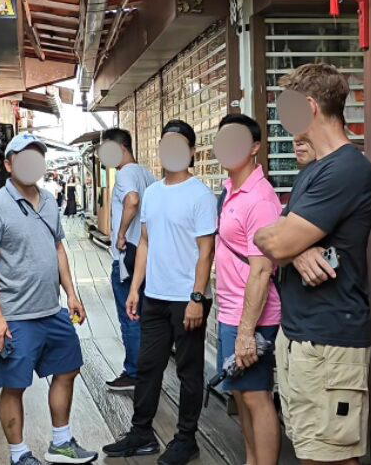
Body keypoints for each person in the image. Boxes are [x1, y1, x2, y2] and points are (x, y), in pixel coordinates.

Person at [253, 63, 371, 465]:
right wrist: (297, 248)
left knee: (332, 458)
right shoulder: (314, 170)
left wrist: (289, 244)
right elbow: (273, 240)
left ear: (309, 107)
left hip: (330, 340)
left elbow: (276, 239)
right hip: (301, 336)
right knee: (310, 452)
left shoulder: (347, 168)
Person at [0, 133, 96, 465]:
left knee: (69, 369)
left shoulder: (48, 200)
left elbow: (58, 248)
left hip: (52, 310)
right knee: (14, 387)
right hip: (15, 315)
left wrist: (72, 294)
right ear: (8, 164)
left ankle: (61, 442)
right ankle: (19, 455)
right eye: (23, 157)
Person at [103, 120, 217, 463]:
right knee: (148, 364)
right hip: (155, 295)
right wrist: (136, 288)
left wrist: (197, 298)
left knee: (188, 370)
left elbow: (206, 252)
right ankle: (141, 433)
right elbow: (147, 244)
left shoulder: (201, 195)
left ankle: (186, 438)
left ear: (191, 152)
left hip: (188, 298)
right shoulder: (152, 193)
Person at [212, 114, 282, 465]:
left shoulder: (260, 197)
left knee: (257, 397)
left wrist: (246, 331)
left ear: (255, 147)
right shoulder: (229, 189)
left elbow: (263, 269)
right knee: (241, 396)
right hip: (230, 311)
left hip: (253, 315)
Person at [99, 127, 155, 392]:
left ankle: (133, 372)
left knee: (129, 315)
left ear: (121, 147)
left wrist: (121, 233)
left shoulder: (125, 174)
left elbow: (132, 201)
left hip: (127, 258)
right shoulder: (147, 174)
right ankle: (146, 368)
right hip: (145, 258)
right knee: (142, 314)